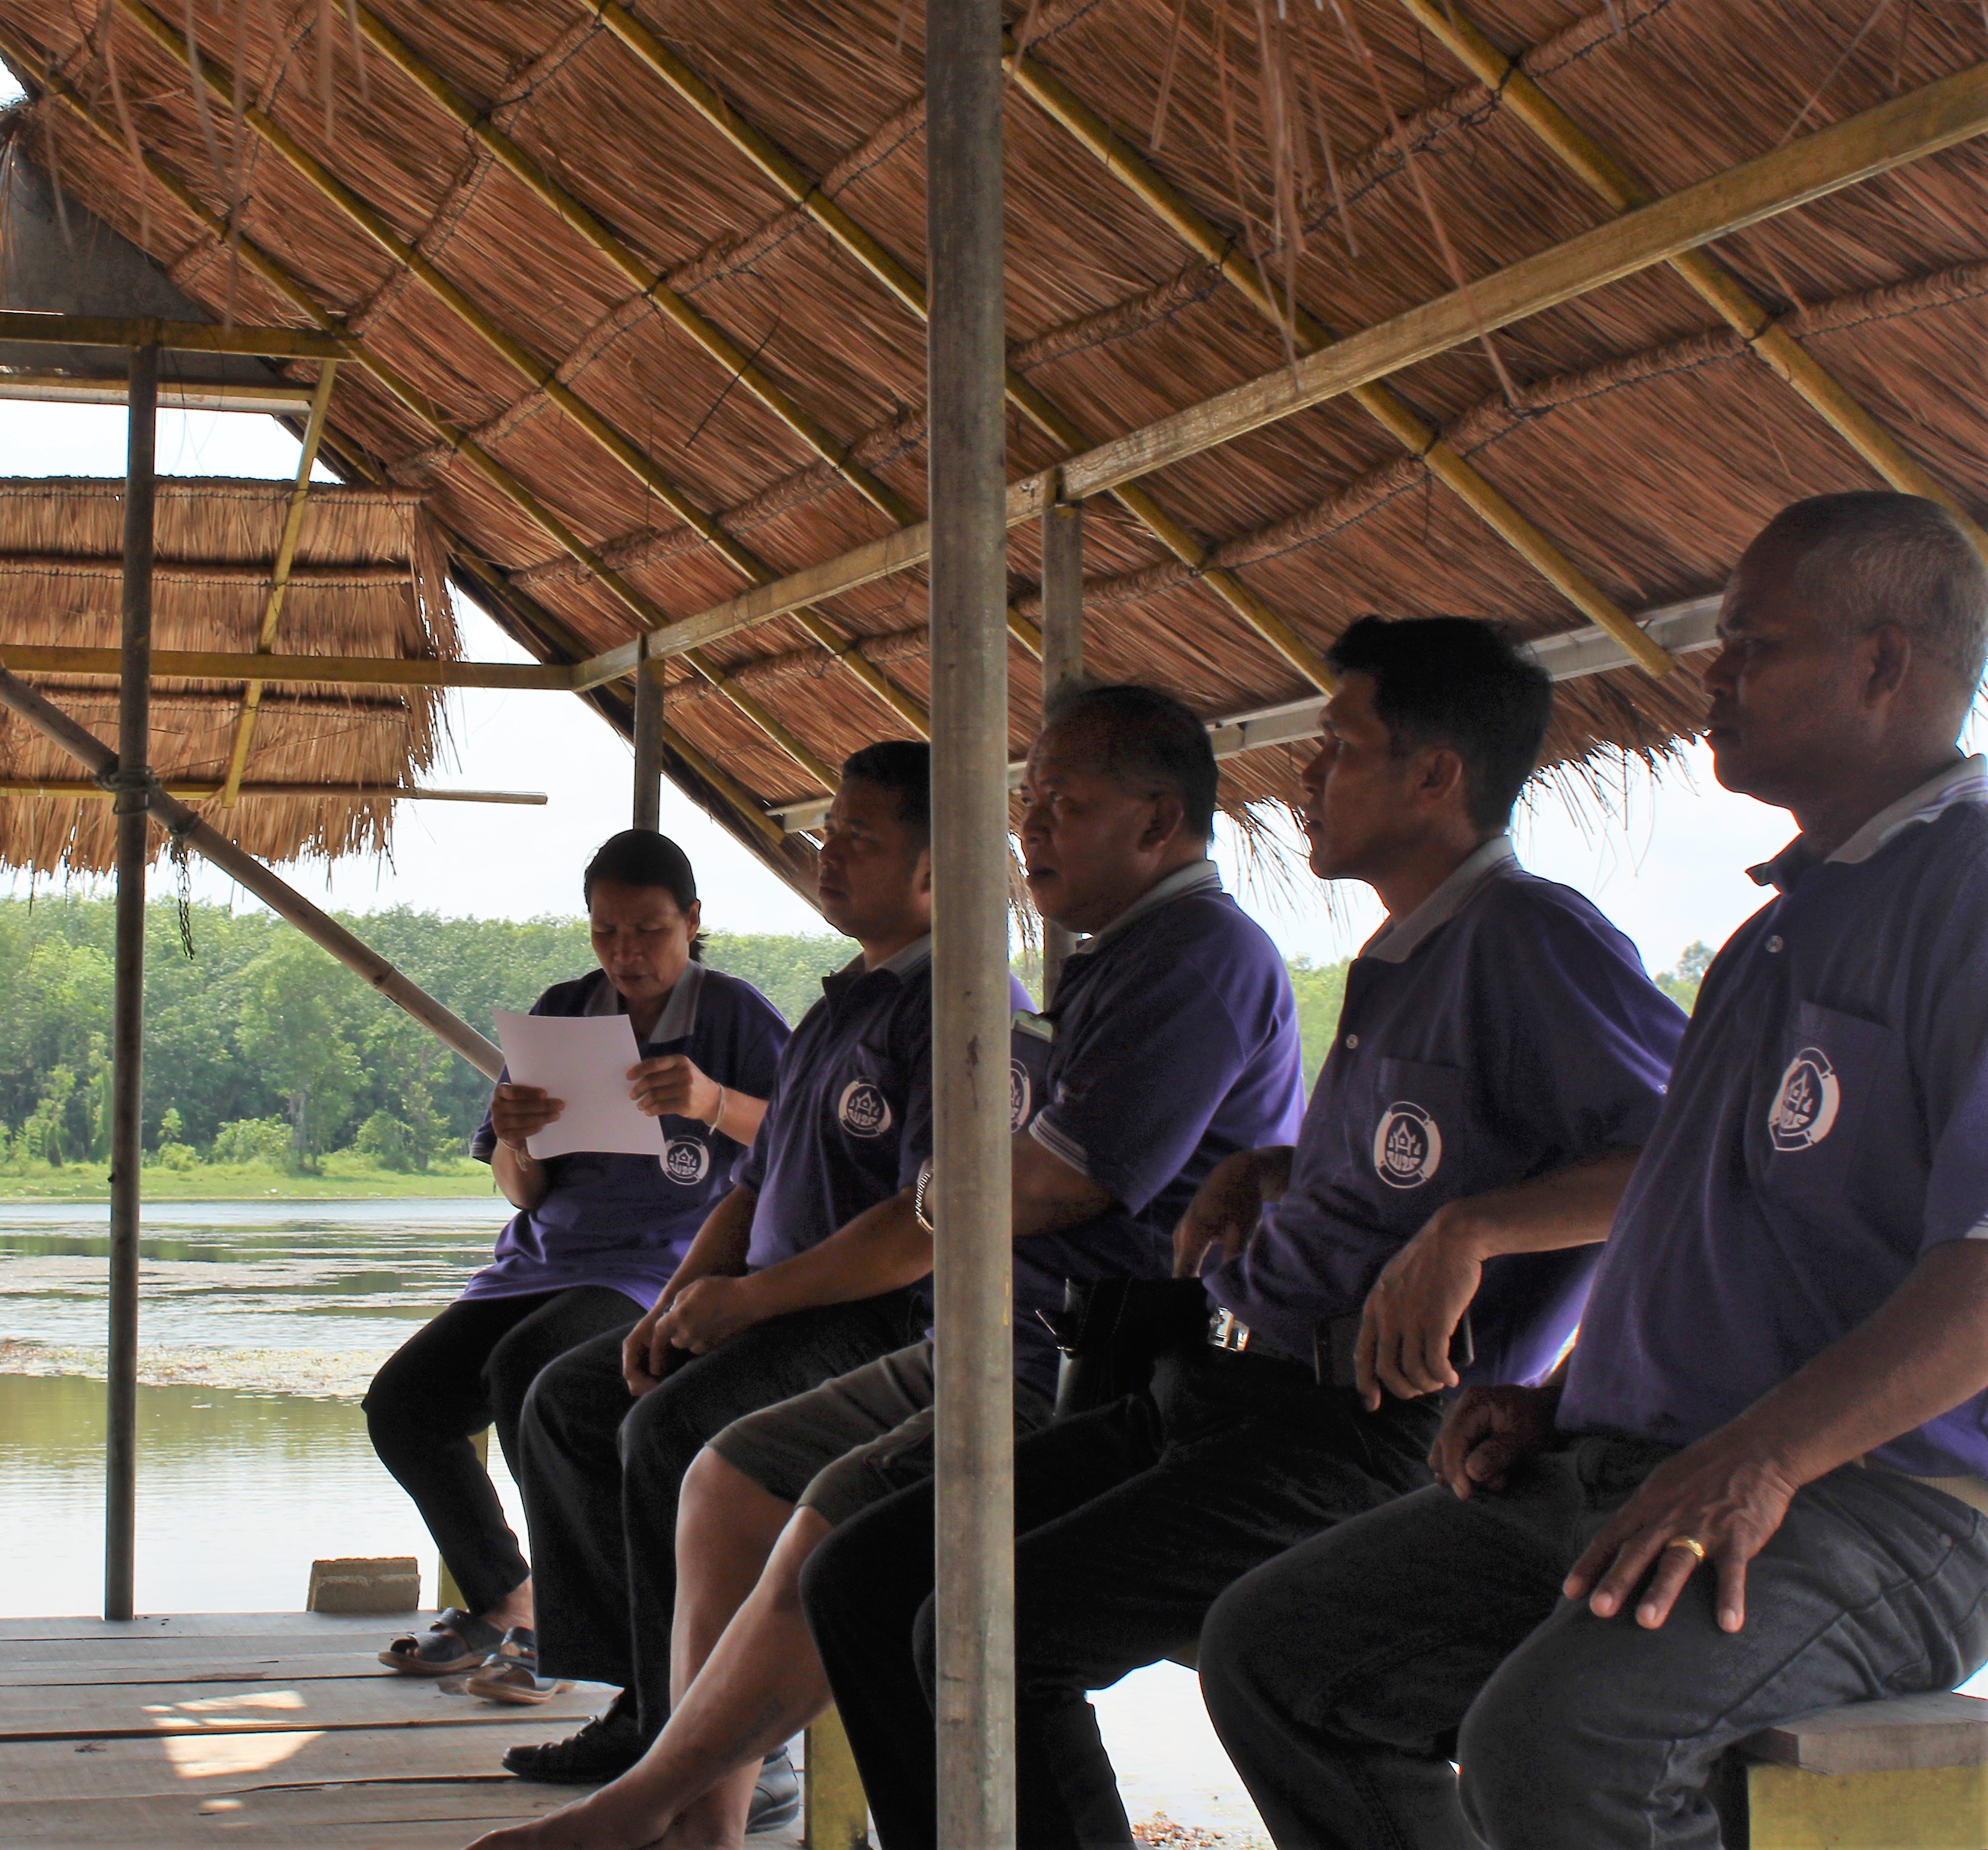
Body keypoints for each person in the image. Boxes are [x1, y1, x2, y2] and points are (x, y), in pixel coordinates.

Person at [802, 617, 1691, 1850]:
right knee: (862, 1576)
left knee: (996, 1624)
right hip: (1217, 1387)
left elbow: (1678, 1154)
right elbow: (1423, 1151)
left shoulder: (1530, 938)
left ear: (1434, 775)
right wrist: (1272, 1169)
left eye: (1339, 747)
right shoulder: (1400, 954)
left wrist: (1471, 1231)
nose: (1304, 774)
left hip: (1355, 1424)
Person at [1200, 493, 1988, 1850]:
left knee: (1564, 1749)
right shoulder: (1777, 929)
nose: (1712, 676)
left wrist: (1760, 1457)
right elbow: (1704, 1231)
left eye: (1751, 646)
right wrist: (1559, 1400)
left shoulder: (1964, 897)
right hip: (1635, 1462)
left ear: (1881, 663)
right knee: (1279, 1654)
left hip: (1876, 1497)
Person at [469, 683, 1304, 1850]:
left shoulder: (1159, 964)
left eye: (1060, 805)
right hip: (1002, 1337)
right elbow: (766, 1183)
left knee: (848, 1562)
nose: (1030, 830)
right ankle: (677, 1790)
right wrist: (691, 1294)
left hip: (1070, 1362)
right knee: (706, 1470)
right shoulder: (919, 992)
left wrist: (776, 1282)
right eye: (1026, 803)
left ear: (1157, 822)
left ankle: (664, 1790)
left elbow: (1037, 1187)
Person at [503, 741, 1031, 1800]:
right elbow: (752, 1186)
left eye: (857, 839)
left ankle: (743, 1745)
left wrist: (750, 1300)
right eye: (827, 833)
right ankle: (647, 1699)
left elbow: (929, 1226)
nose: (825, 855)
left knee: (670, 1430)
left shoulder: (967, 1005)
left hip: (886, 1319)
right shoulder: (840, 1005)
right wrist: (673, 1305)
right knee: (569, 1399)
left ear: (935, 867)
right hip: (780, 1303)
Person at [365, 829, 787, 1684]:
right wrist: (515, 1138)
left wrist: (712, 1101)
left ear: (692, 921)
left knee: (530, 1374)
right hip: (538, 1262)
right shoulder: (563, 1011)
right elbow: (520, 1190)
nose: (627, 953)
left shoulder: (735, 1015)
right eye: (606, 932)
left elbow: (801, 1142)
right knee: (403, 1406)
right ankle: (510, 1598)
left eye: (649, 930)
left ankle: (572, 1625)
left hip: (659, 1269)